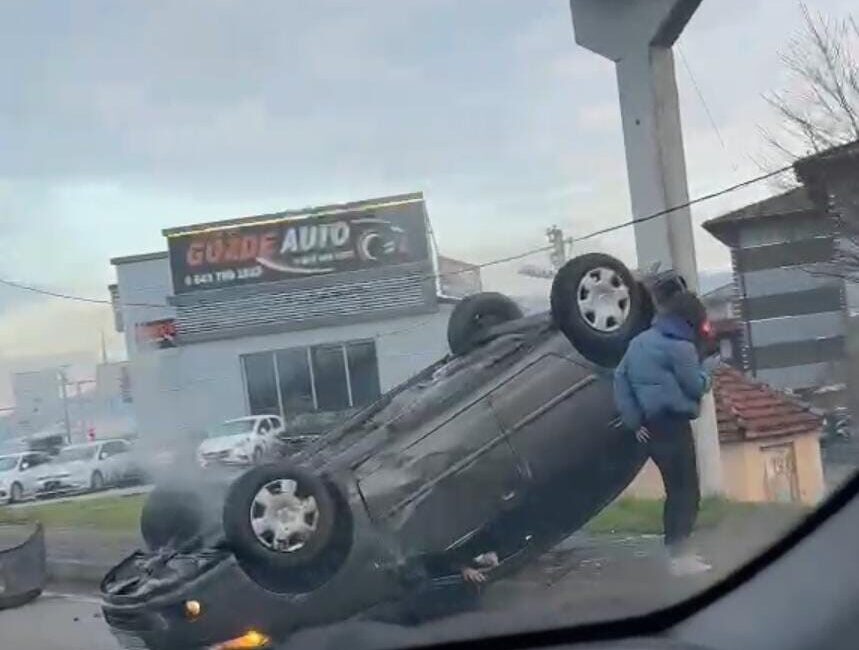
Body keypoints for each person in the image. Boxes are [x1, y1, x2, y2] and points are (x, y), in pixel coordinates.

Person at [613, 290, 713, 576]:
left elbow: (620, 379)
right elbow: (695, 386)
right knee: (688, 490)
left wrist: (635, 422)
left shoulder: (639, 343)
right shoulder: (681, 348)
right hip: (675, 424)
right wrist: (708, 376)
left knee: (674, 490)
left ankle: (676, 555)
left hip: (651, 428)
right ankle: (681, 556)